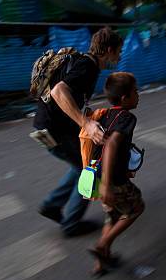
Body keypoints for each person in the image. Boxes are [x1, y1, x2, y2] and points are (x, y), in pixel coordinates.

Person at [34, 27, 123, 236]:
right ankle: (71, 223)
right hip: (55, 130)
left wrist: (89, 120)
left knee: (79, 166)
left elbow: (70, 98)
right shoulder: (87, 66)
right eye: (118, 52)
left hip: (46, 127)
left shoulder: (84, 62)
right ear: (109, 50)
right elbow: (58, 91)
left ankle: (51, 205)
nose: (119, 56)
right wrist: (86, 123)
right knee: (91, 170)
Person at [88, 72, 145, 276]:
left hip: (98, 174)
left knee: (112, 215)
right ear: (124, 98)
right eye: (135, 91)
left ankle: (101, 263)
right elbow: (111, 143)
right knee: (136, 207)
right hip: (112, 179)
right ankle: (103, 244)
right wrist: (106, 183)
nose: (138, 95)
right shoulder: (128, 118)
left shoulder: (105, 114)